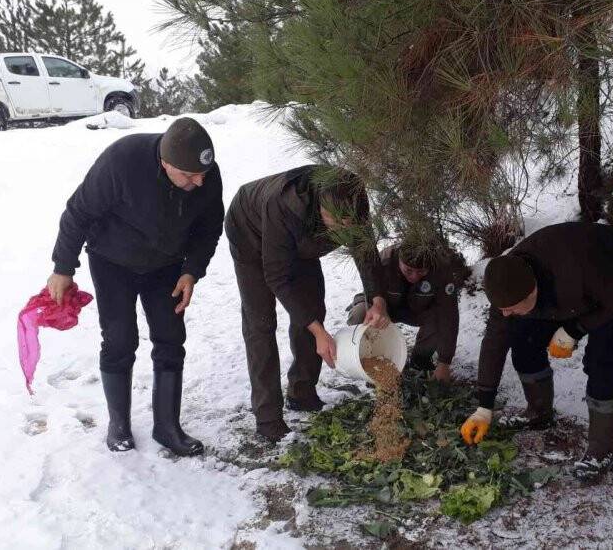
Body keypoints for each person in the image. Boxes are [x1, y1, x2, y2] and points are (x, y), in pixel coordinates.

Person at [47, 118, 224, 456]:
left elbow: (209, 228)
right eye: (189, 176)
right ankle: (119, 424)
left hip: (167, 265)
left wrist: (191, 271)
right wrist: (63, 268)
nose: (199, 181)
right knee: (119, 340)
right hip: (113, 261)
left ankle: (167, 427)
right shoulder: (122, 160)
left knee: (171, 339)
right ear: (165, 163)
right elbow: (78, 212)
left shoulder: (205, 174)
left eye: (202, 173)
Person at [460, 221, 613, 481]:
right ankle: (539, 414)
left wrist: (575, 329)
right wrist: (484, 407)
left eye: (513, 308)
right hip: (567, 289)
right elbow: (495, 341)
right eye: (503, 309)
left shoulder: (577, 272)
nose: (506, 314)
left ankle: (601, 451)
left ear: (534, 291)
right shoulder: (507, 282)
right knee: (523, 339)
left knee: (599, 358)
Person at [225, 164, 389, 442]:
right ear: (320, 204)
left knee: (313, 306)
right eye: (334, 222)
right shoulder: (285, 205)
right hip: (251, 232)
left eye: (348, 224)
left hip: (301, 242)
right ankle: (268, 419)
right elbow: (276, 277)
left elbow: (365, 251)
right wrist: (318, 332)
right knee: (261, 322)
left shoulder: (353, 198)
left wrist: (377, 300)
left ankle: (302, 392)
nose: (343, 231)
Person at [346, 239, 469, 382]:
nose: (414, 277)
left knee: (437, 318)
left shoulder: (441, 269)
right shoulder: (383, 261)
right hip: (383, 306)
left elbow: (449, 315)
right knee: (359, 314)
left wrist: (444, 362)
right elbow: (371, 290)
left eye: (421, 271)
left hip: (418, 308)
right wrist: (378, 307)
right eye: (408, 270)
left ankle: (420, 361)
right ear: (399, 260)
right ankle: (367, 360)